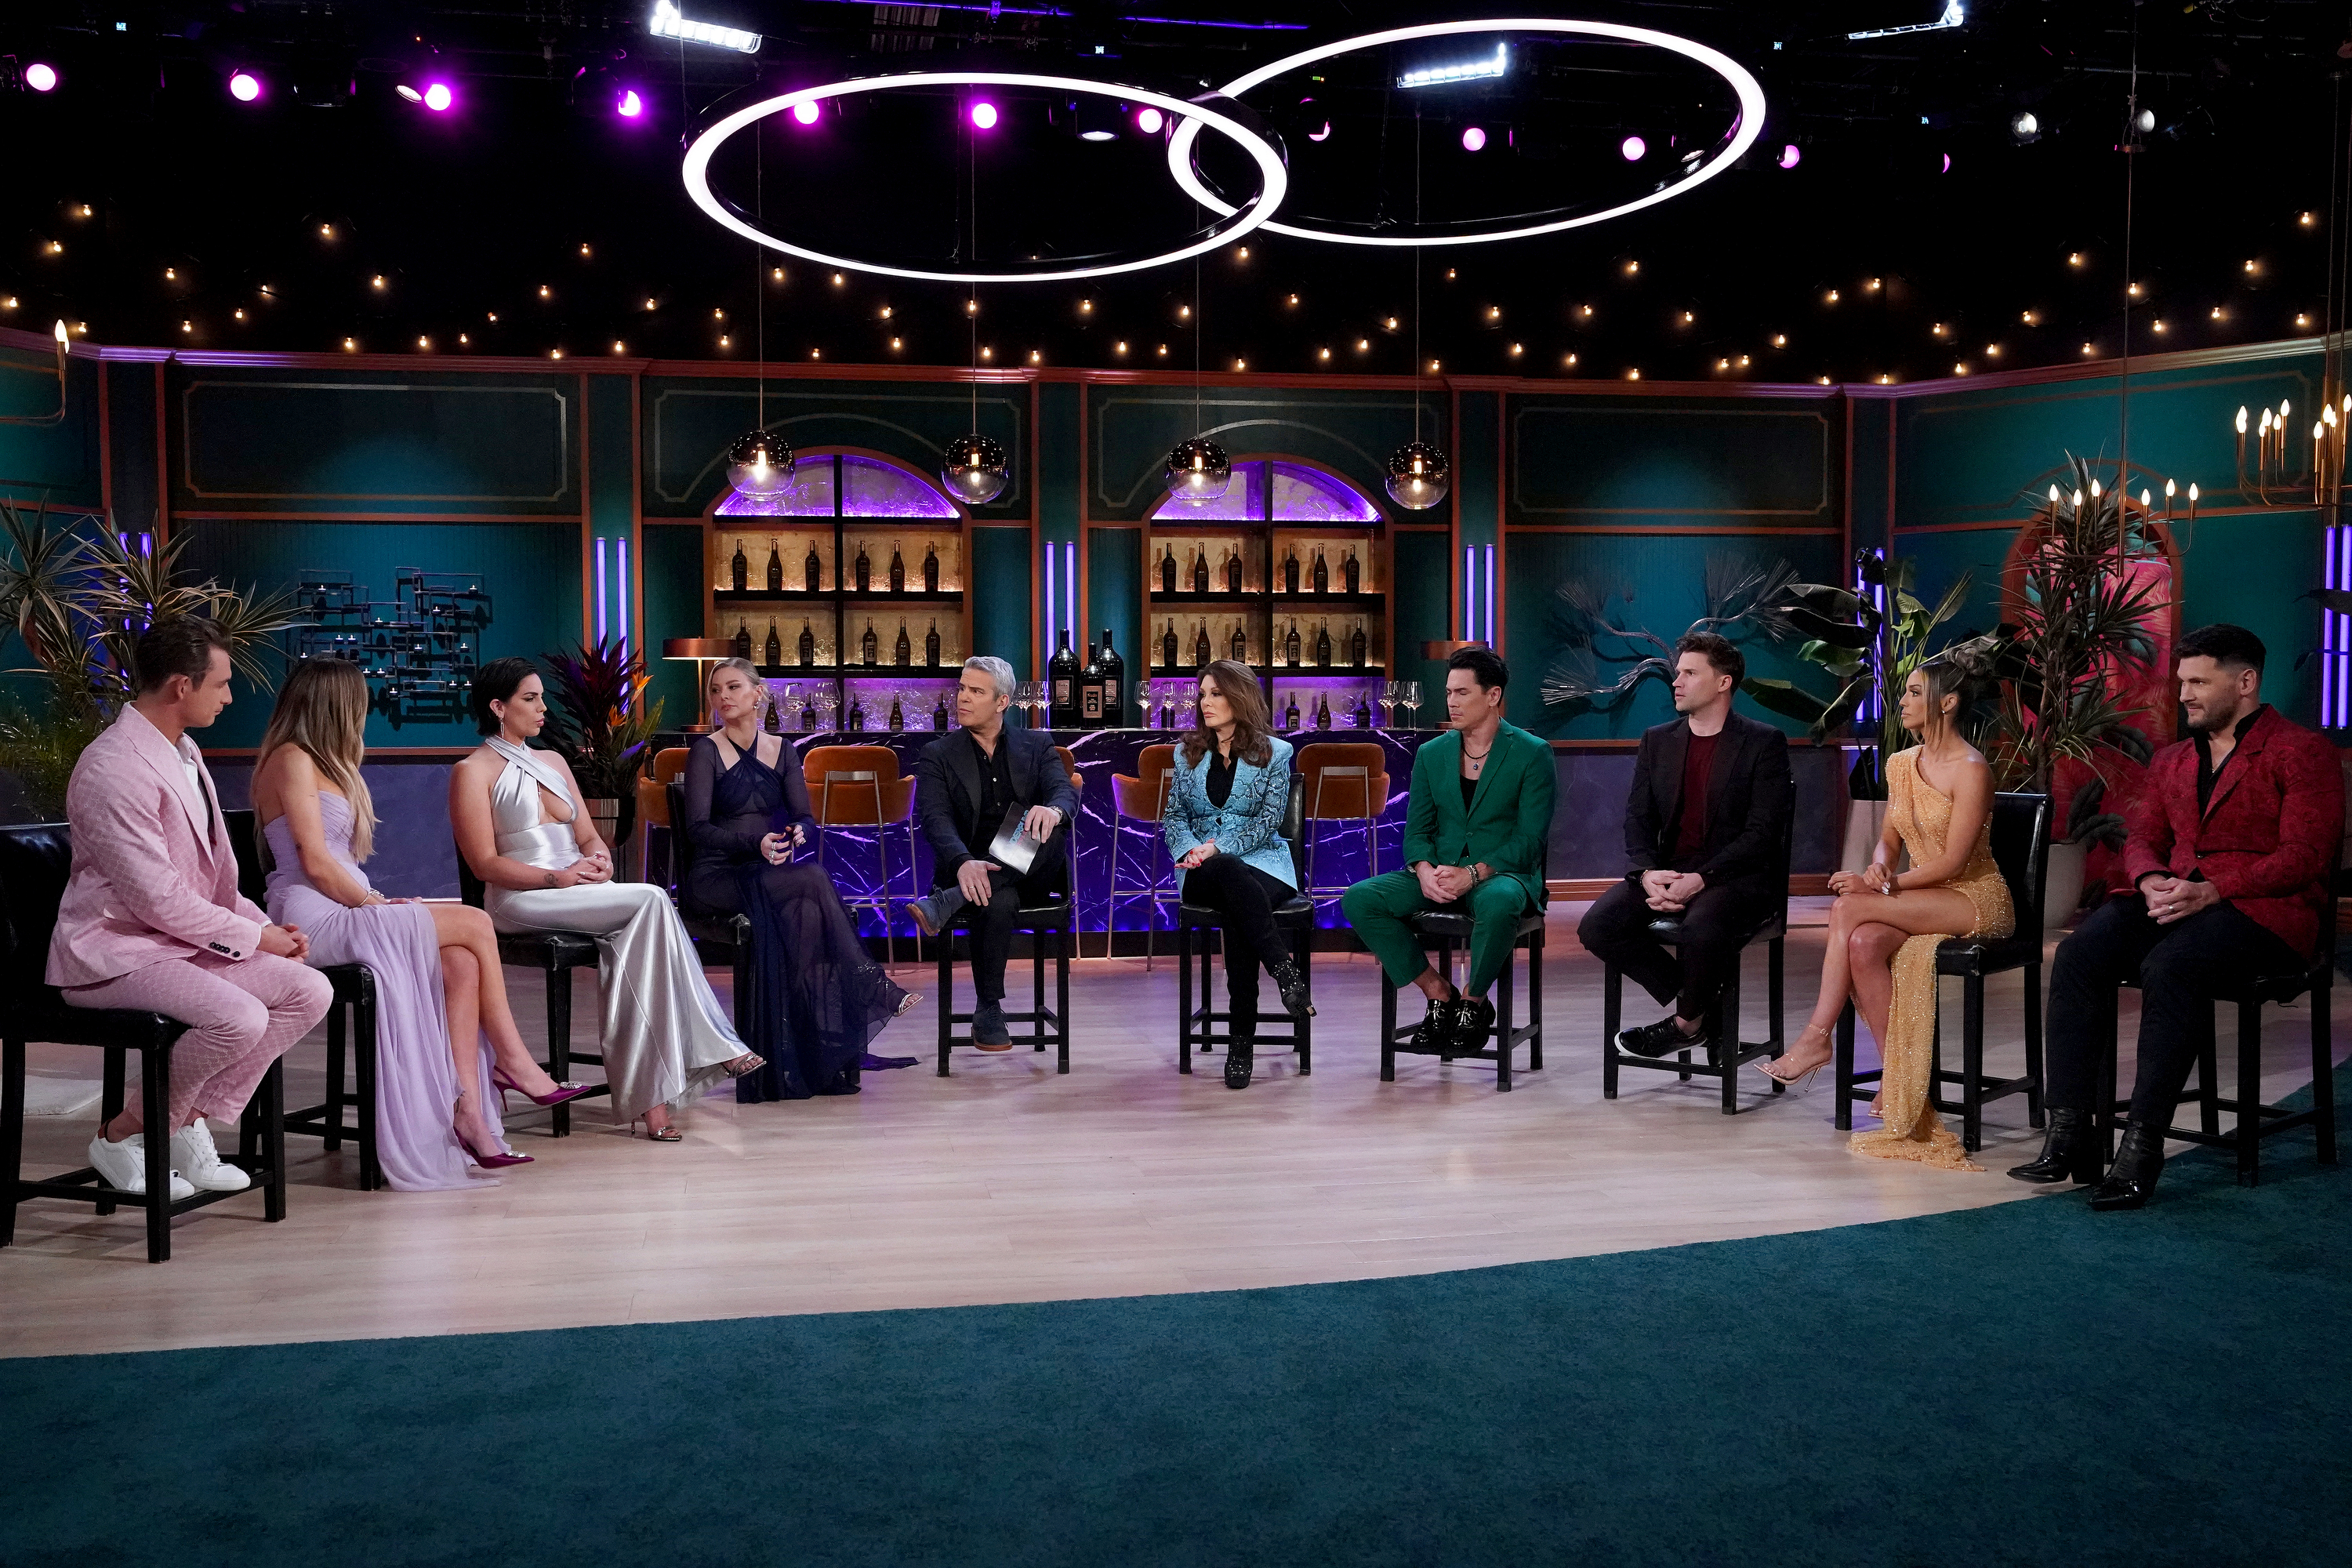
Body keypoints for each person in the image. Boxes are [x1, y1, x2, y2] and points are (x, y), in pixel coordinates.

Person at [2012, 624, 2343, 1209]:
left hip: (2270, 914)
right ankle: (2072, 1136)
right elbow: (2141, 836)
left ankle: (2141, 1151)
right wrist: (2147, 877)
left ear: (2245, 682)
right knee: (2080, 952)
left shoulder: (2301, 751)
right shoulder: (2171, 760)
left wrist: (2216, 889)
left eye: (2197, 681)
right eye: (2182, 681)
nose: (2183, 694)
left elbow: (2305, 857)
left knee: (2173, 965)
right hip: (2182, 900)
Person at [252, 658, 595, 1186]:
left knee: (460, 959)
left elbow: (339, 865)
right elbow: (315, 862)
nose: (364, 710)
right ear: (332, 703)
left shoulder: (324, 761)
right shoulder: (291, 758)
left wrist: (377, 901)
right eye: (357, 701)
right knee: (476, 923)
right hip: (312, 916)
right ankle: (516, 1063)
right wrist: (373, 904)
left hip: (349, 904)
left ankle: (469, 1113)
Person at [52, 618, 333, 1201]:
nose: (230, 696)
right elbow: (157, 898)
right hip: (115, 952)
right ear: (182, 686)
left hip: (178, 943)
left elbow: (213, 880)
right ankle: (124, 1133)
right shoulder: (113, 767)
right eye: (223, 683)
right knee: (240, 1017)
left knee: (310, 990)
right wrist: (255, 941)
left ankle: (182, 1121)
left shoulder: (184, 751)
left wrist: (263, 925)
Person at [451, 656, 762, 1142]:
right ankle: (713, 1043)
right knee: (654, 899)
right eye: (530, 699)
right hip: (520, 898)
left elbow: (589, 836)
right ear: (497, 707)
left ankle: (652, 1102)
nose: (543, 709)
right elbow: (484, 866)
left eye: (542, 698)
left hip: (577, 888)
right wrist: (559, 878)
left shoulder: (553, 762)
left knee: (636, 937)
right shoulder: (471, 772)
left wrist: (600, 861)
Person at [1758, 654, 2013, 1171]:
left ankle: (1815, 1039)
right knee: (1861, 941)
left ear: (1948, 702)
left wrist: (1884, 886)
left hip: (1973, 897)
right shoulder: (1901, 764)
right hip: (1919, 892)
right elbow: (1888, 843)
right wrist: (1878, 868)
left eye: (1915, 693)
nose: (1902, 701)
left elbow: (1952, 861)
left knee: (1851, 907)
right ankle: (1899, 1082)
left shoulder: (1973, 771)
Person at [681, 658, 919, 1101]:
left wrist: (796, 834)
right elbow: (697, 829)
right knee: (811, 880)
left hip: (766, 871)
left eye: (733, 687)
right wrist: (756, 844)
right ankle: (869, 984)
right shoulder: (706, 752)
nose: (723, 697)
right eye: (716, 690)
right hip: (716, 876)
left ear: (758, 694)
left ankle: (807, 1053)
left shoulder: (784, 749)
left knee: (810, 900)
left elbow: (806, 818)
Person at [1578, 633, 1793, 1060]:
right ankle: (1704, 1007)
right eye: (1678, 672)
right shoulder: (1658, 740)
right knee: (1597, 926)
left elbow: (1762, 834)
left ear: (1723, 683)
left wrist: (1704, 878)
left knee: (1701, 930)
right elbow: (1638, 818)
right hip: (1668, 870)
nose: (1676, 680)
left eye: (1690, 673)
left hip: (1736, 877)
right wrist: (1647, 873)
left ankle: (1686, 1023)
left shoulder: (1763, 742)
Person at [1341, 648, 1553, 1056]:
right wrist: (1422, 869)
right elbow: (1417, 830)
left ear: (1493, 696)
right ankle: (1439, 992)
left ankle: (1473, 1004)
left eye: (1462, 693)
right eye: (1449, 692)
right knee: (1361, 899)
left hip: (1500, 874)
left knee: (1500, 902)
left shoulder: (1532, 753)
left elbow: (1530, 840)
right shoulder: (1432, 753)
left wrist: (1473, 874)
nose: (1451, 702)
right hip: (1439, 871)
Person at [904, 656, 1079, 1049]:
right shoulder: (939, 753)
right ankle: (989, 1009)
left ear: (1002, 703)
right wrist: (965, 862)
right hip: (971, 869)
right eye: (962, 688)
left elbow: (1065, 792)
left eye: (975, 692)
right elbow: (936, 819)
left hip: (1033, 870)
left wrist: (1051, 810)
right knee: (997, 898)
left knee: (1047, 830)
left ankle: (949, 901)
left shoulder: (1037, 745)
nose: (962, 698)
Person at [1161, 659, 1312, 1091]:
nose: (1205, 703)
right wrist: (1195, 850)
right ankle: (1283, 968)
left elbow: (1268, 822)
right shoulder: (1186, 752)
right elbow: (1174, 816)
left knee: (1239, 904)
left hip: (1265, 864)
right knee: (1226, 872)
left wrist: (1219, 846)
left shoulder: (1276, 753)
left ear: (1239, 697)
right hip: (1202, 868)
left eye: (1216, 694)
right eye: (1203, 694)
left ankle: (1240, 1042)